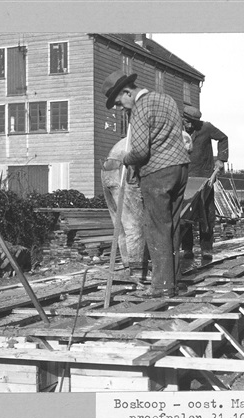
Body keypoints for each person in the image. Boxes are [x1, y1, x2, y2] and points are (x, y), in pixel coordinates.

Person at [102, 70, 190, 298]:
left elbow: (140, 151)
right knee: (172, 226)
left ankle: (161, 287)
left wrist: (125, 158)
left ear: (127, 92)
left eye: (119, 102)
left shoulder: (140, 108)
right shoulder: (167, 99)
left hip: (157, 173)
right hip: (180, 169)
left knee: (157, 228)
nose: (121, 108)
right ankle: (173, 281)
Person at [180, 106, 229, 260]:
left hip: (204, 177)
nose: (189, 126)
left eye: (192, 123)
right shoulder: (177, 130)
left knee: (207, 213)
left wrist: (221, 159)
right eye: (187, 122)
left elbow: (223, 138)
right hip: (184, 177)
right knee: (184, 213)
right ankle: (187, 249)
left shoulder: (206, 128)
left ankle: (206, 249)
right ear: (183, 119)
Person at [100, 138, 148, 280]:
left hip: (107, 171)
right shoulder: (146, 140)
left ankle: (128, 265)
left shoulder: (130, 138)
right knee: (135, 225)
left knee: (120, 225)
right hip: (123, 173)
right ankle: (138, 271)